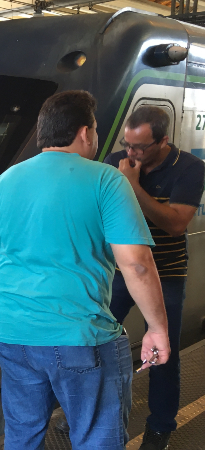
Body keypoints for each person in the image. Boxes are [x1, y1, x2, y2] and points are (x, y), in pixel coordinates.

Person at [0, 91, 170, 450]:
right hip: (78, 338)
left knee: (22, 434)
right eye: (94, 129)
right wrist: (157, 328)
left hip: (10, 333)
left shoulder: (2, 182)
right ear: (84, 132)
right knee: (97, 439)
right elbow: (136, 264)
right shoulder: (106, 180)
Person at [104, 106, 205, 450]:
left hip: (166, 273)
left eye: (139, 148)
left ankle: (160, 427)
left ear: (163, 141)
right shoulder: (114, 162)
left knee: (165, 353)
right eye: (127, 145)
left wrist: (132, 186)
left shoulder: (190, 169)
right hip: (119, 271)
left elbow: (176, 224)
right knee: (94, 342)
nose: (130, 154)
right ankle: (89, 411)